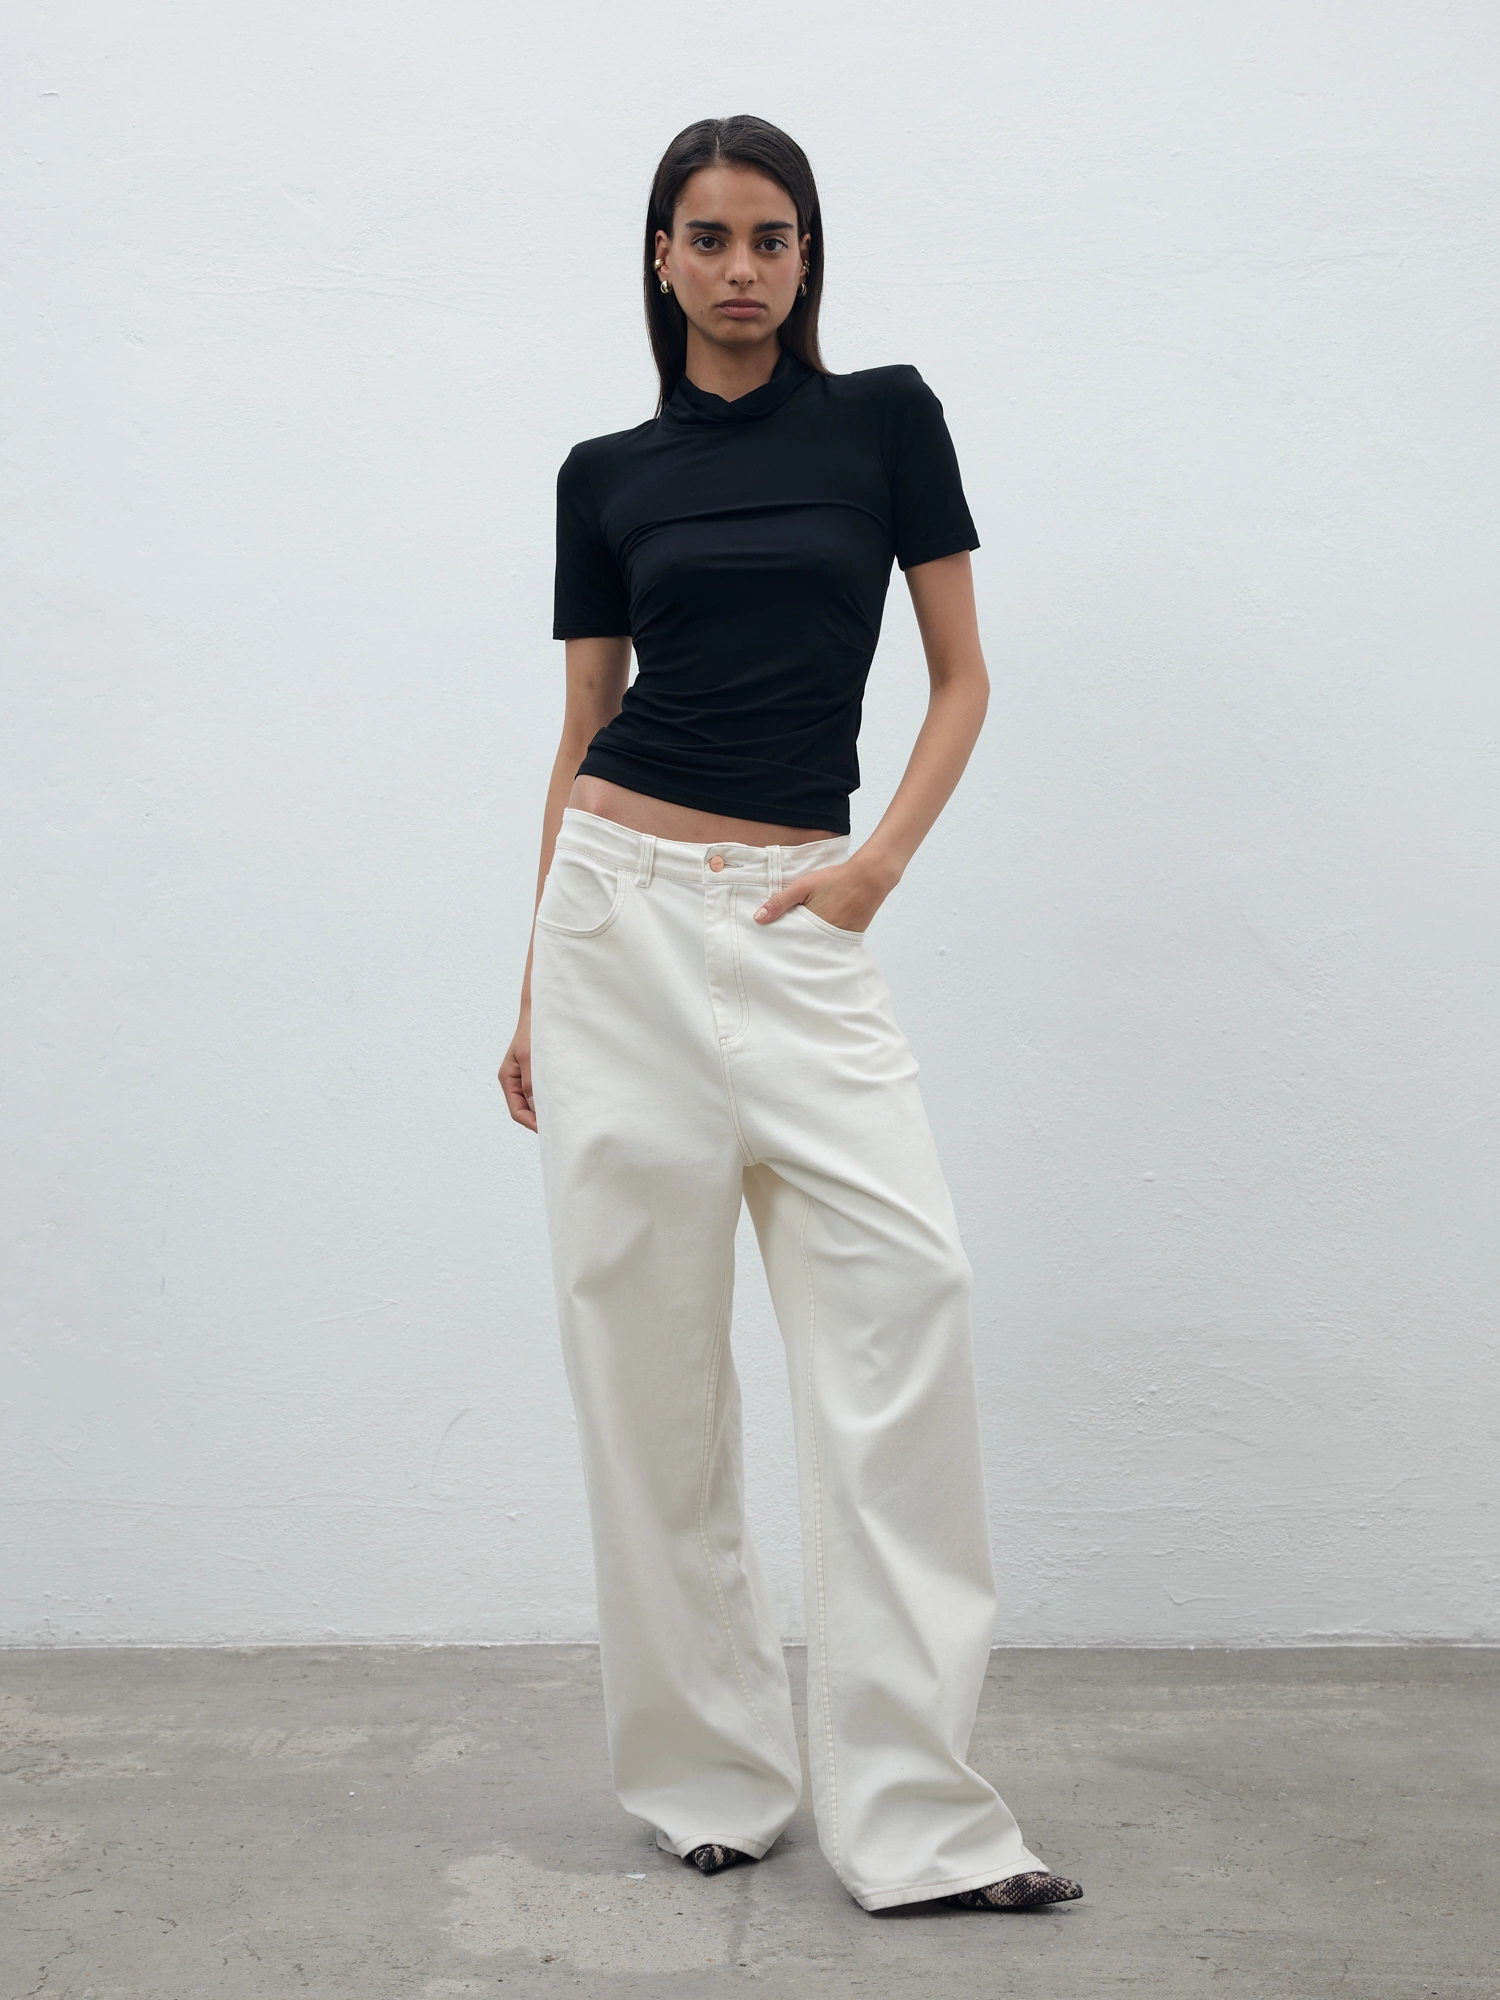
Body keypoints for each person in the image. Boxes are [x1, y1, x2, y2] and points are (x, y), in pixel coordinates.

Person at [499, 114, 1082, 1917]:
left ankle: (924, 1820)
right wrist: (531, 981)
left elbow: (963, 676)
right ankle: (708, 1780)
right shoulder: (605, 473)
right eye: (709, 236)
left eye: (771, 236)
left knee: (909, 1307)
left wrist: (875, 868)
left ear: (807, 256)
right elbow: (584, 725)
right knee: (646, 1367)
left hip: (800, 913)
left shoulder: (885, 423)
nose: (741, 266)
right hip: (615, 922)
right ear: (660, 258)